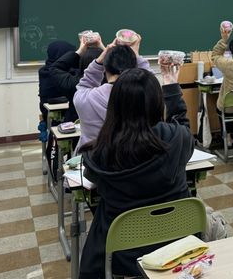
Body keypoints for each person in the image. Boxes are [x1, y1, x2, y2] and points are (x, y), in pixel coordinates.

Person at [79, 63, 195, 279]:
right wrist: (171, 88)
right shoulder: (177, 138)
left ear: (115, 105)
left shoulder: (99, 153)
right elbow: (183, 127)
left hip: (122, 254)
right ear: (156, 103)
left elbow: (93, 181)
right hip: (178, 242)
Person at [73, 37, 150, 151]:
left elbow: (84, 85)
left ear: (105, 68)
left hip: (94, 161)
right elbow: (151, 83)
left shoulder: (85, 99)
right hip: (134, 160)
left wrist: (99, 60)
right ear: (134, 67)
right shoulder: (144, 97)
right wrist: (136, 56)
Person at [49, 34, 104, 122]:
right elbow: (122, 68)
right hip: (105, 126)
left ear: (80, 63)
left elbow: (55, 68)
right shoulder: (110, 83)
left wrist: (79, 52)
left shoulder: (74, 83)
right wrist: (103, 49)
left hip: (75, 123)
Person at [38, 40, 75, 120]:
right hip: (53, 112)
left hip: (56, 109)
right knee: (60, 125)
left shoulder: (44, 69)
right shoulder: (51, 72)